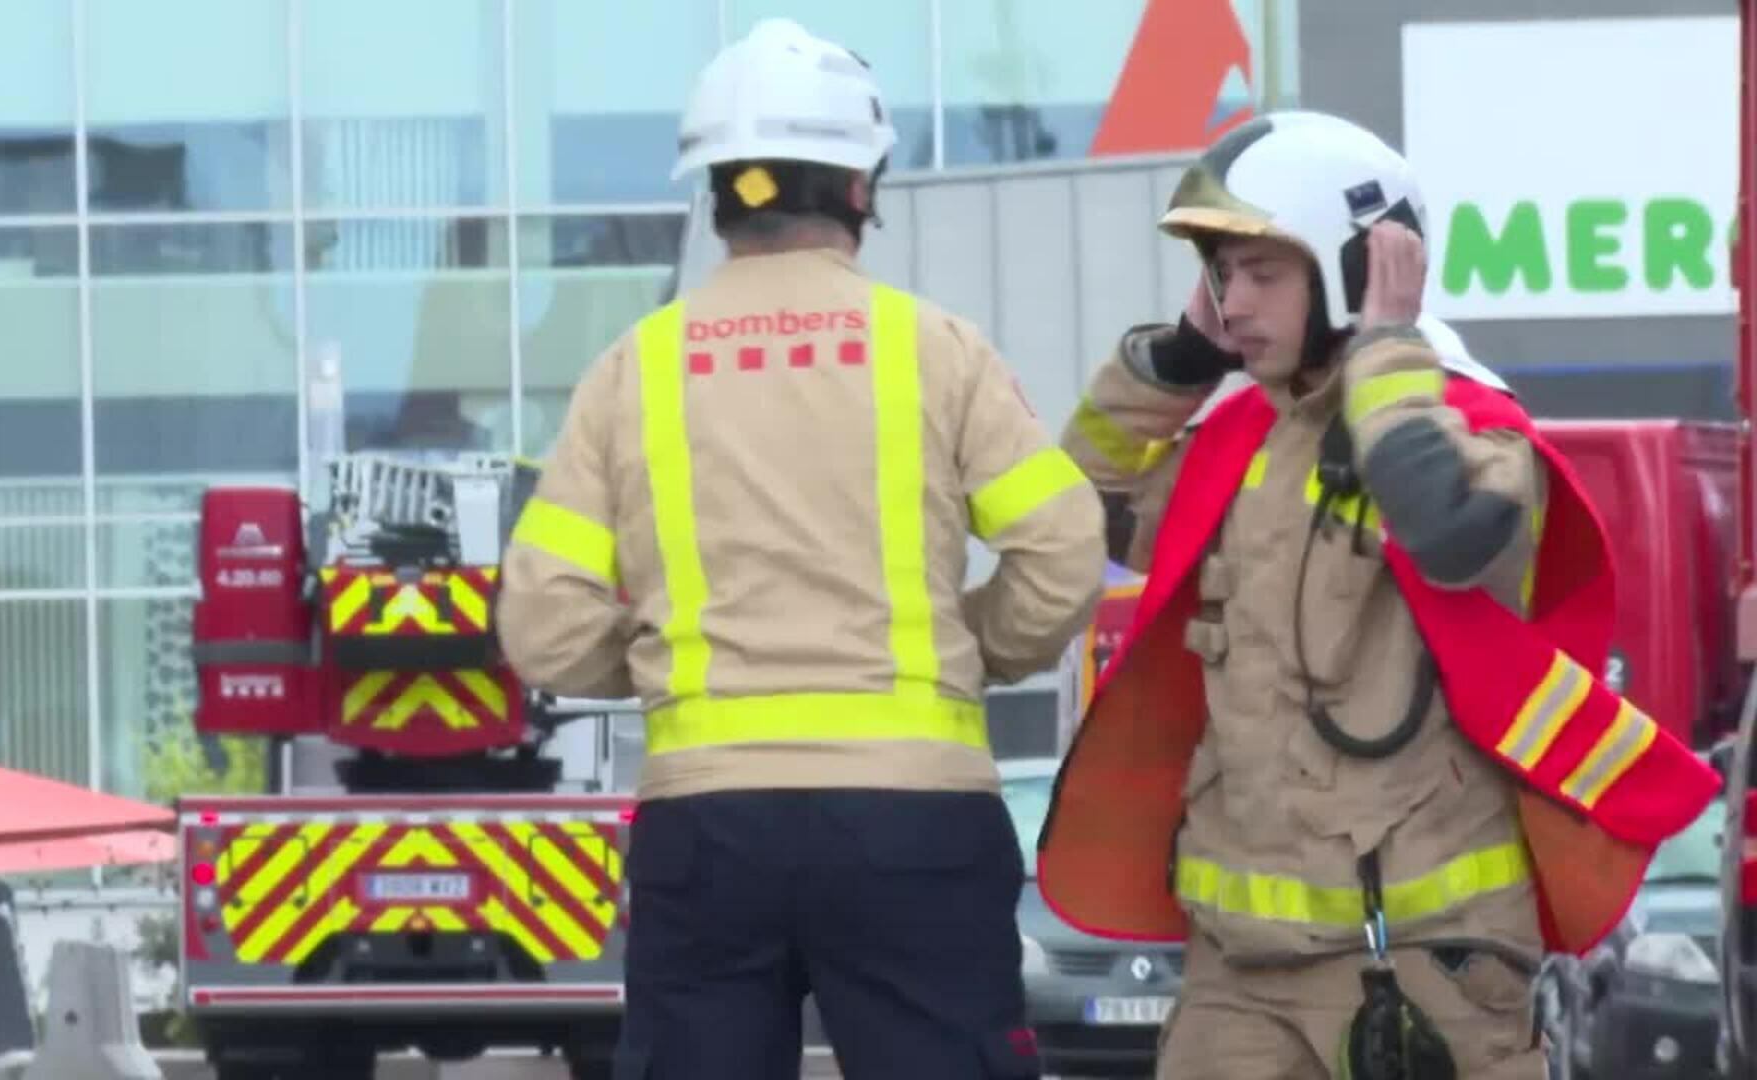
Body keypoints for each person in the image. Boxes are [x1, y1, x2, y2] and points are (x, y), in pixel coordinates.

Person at [1037, 110, 1720, 1079]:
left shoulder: (1465, 425)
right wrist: (1175, 364)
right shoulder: (1238, 449)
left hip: (1423, 964)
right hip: (1236, 974)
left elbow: (1446, 532)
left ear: (1354, 268)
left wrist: (1386, 354)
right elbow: (1070, 507)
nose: (1231, 303)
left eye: (1260, 273)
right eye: (1220, 275)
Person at [496, 18, 1106, 1079]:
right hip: (917, 820)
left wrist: (664, 664)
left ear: (718, 188)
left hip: (707, 822)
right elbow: (1062, 545)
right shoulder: (937, 349)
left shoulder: (629, 369)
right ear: (860, 186)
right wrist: (973, 648)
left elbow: (541, 622)